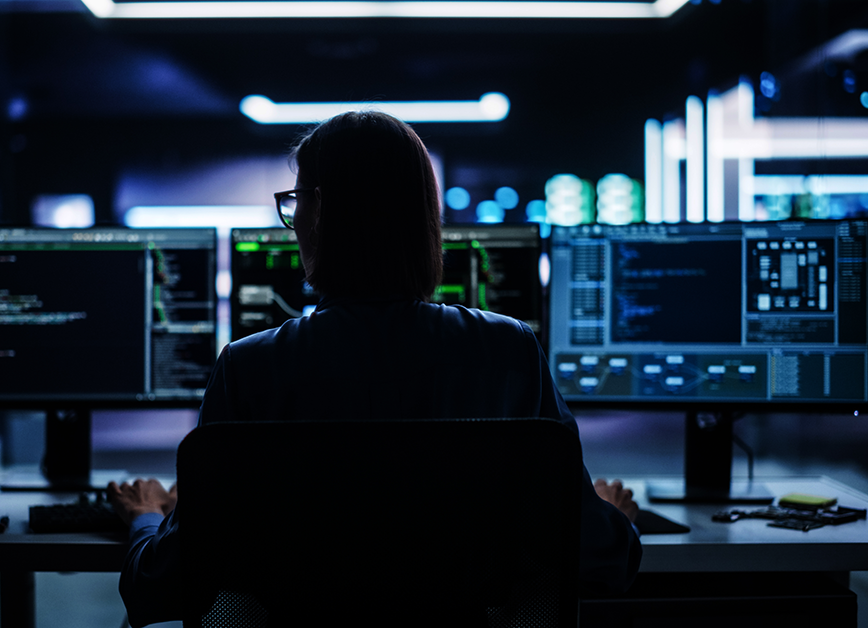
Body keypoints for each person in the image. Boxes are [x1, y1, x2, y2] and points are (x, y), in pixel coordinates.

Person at [109, 110, 641, 626]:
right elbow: (604, 559)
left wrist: (145, 517)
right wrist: (609, 517)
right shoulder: (509, 351)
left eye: (298, 203)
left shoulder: (250, 368)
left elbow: (159, 585)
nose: (294, 223)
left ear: (319, 216)